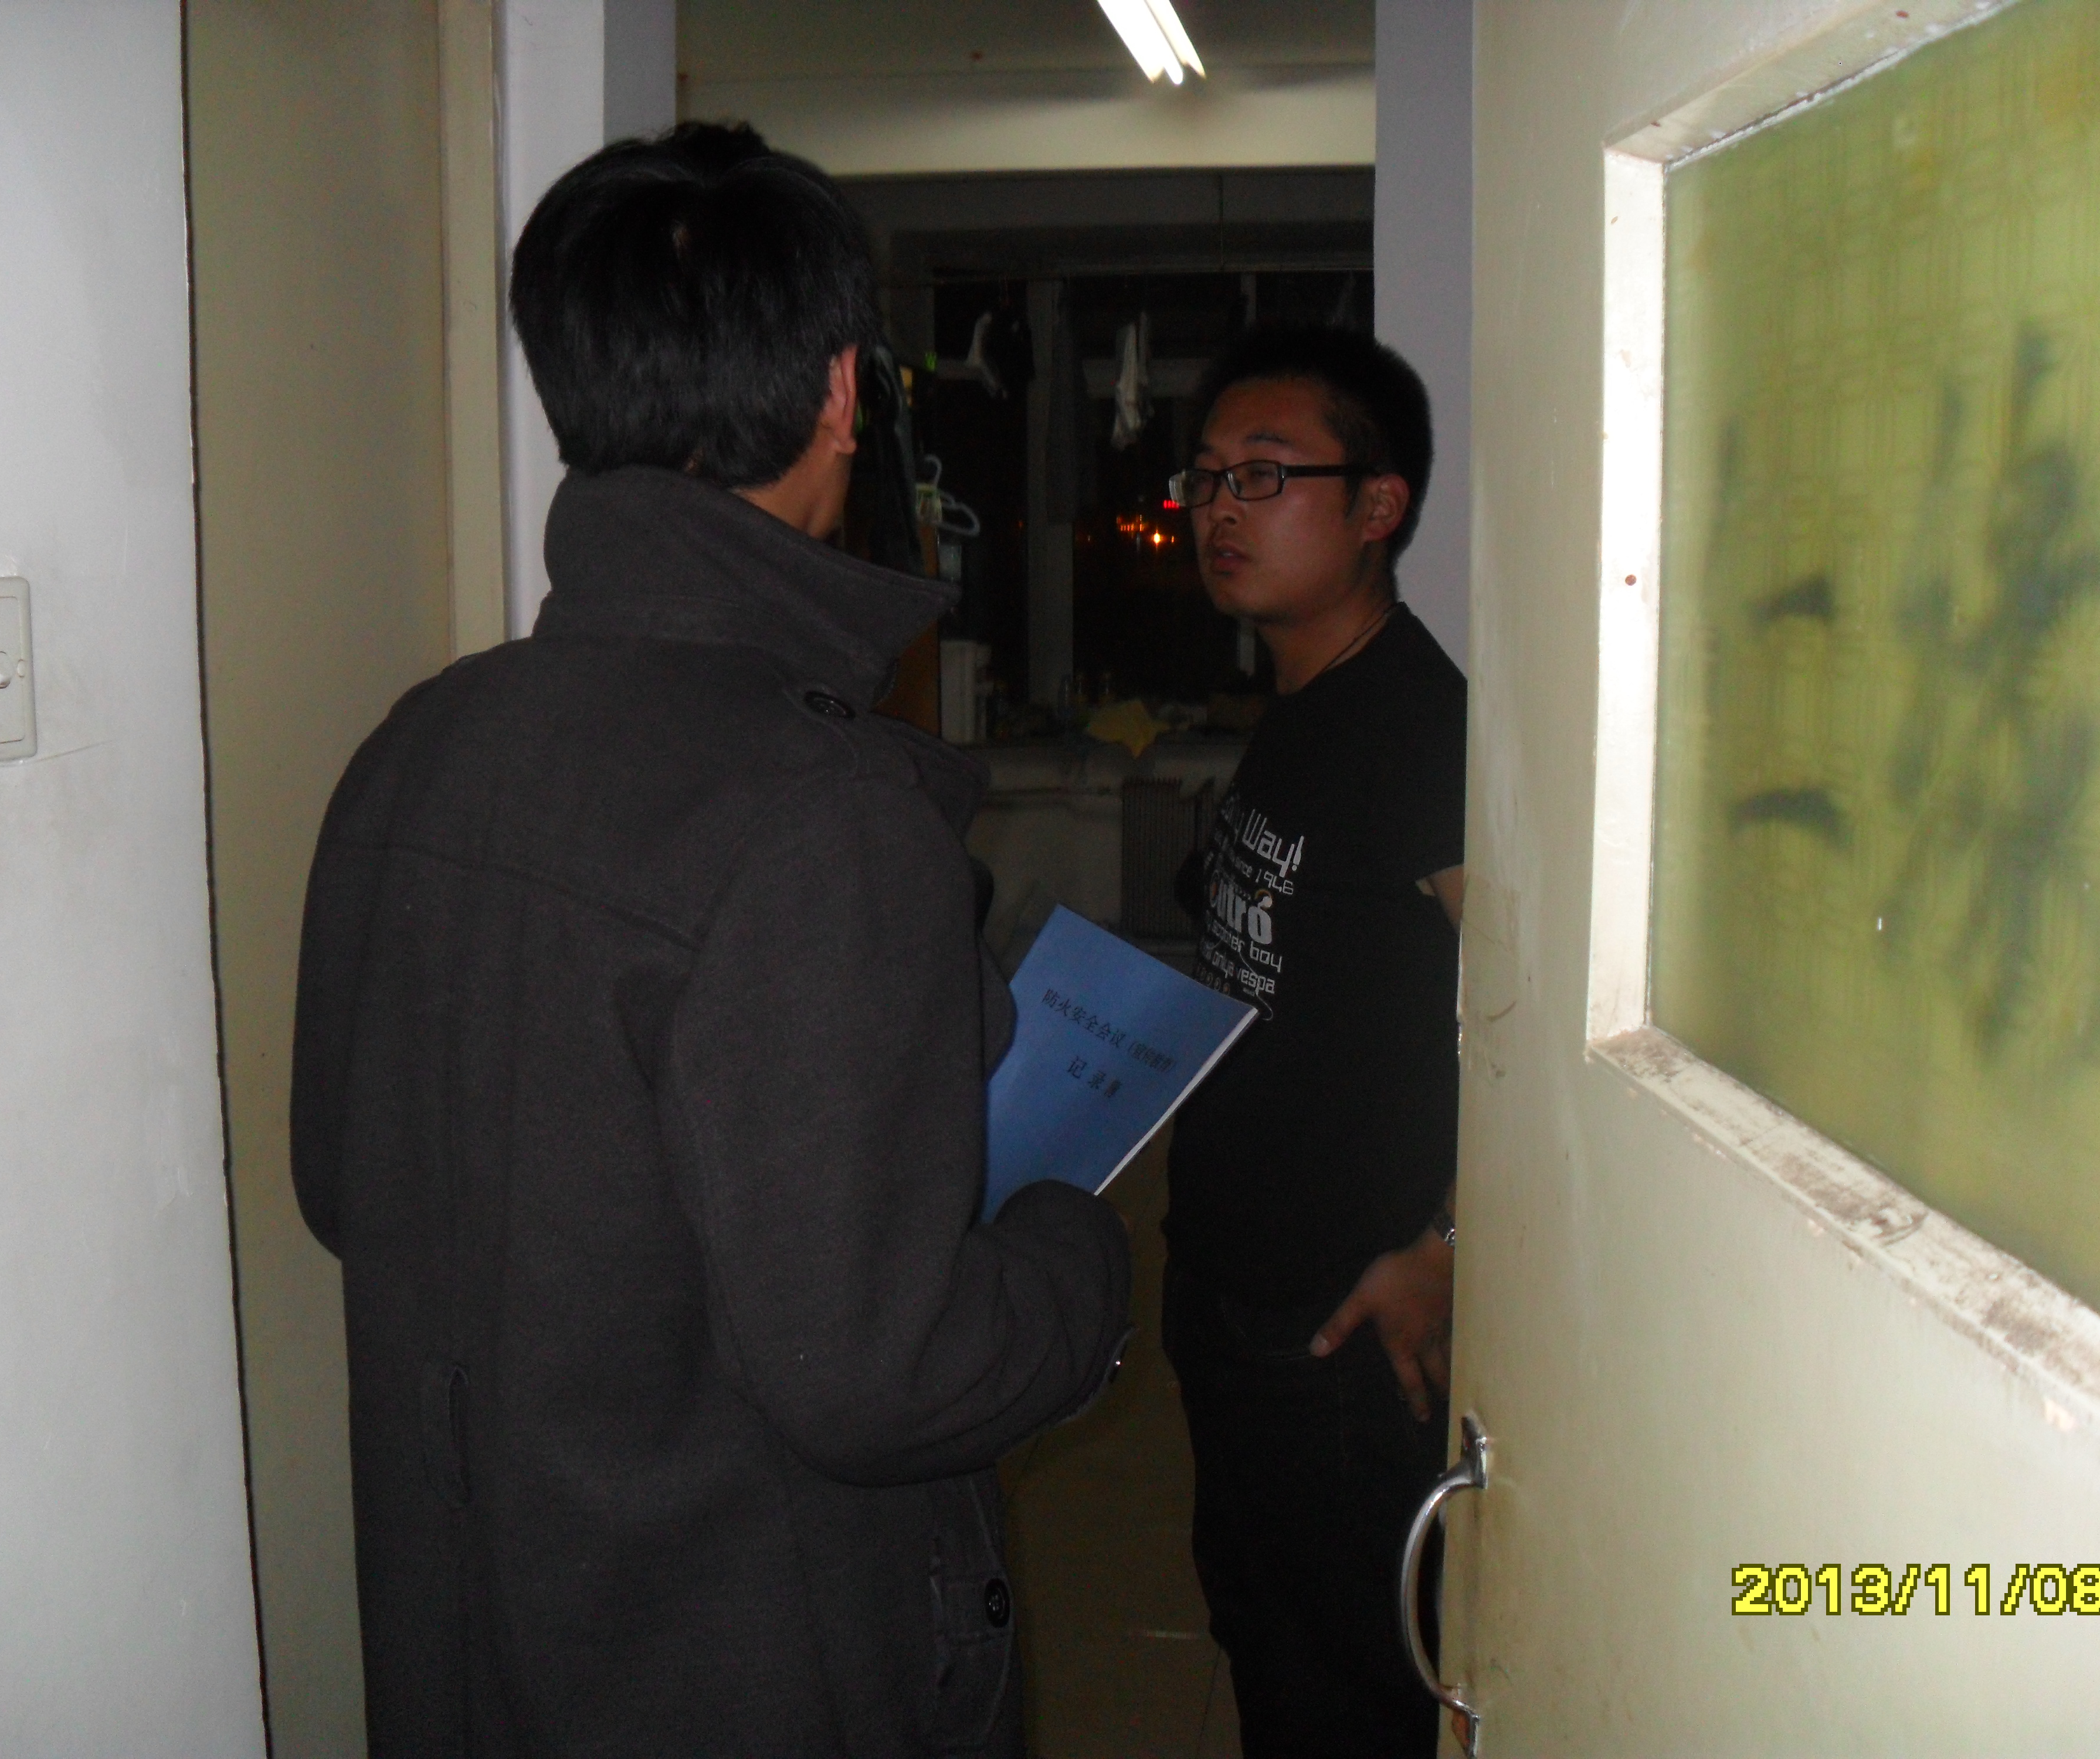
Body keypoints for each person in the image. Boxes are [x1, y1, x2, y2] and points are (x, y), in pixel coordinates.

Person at [290, 123, 1132, 1758]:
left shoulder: (419, 743)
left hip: (468, 1617)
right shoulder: (821, 813)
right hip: (740, 1650)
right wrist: (1077, 1259)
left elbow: (348, 1184)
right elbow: (883, 1371)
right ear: (841, 392)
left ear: (574, 386)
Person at [1163, 326, 1465, 1757]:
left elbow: (1536, 1027)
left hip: (1339, 1332)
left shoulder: (1419, 731)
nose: (1219, 508)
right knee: (1264, 1644)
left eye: (1266, 474)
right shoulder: (1299, 708)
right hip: (1232, 1296)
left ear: (1376, 507)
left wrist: (1454, 1244)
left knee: (1344, 1696)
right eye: (1206, 476)